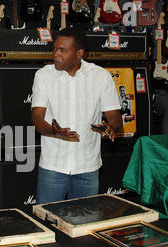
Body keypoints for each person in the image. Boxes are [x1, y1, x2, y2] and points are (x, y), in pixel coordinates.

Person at [31, 27, 123, 204]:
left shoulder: (101, 76)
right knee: (48, 222)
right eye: (55, 48)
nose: (56, 54)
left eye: (63, 50)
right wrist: (53, 131)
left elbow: (114, 116)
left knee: (83, 225)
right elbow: (37, 117)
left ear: (79, 53)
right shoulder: (43, 75)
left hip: (88, 167)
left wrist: (112, 127)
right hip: (53, 166)